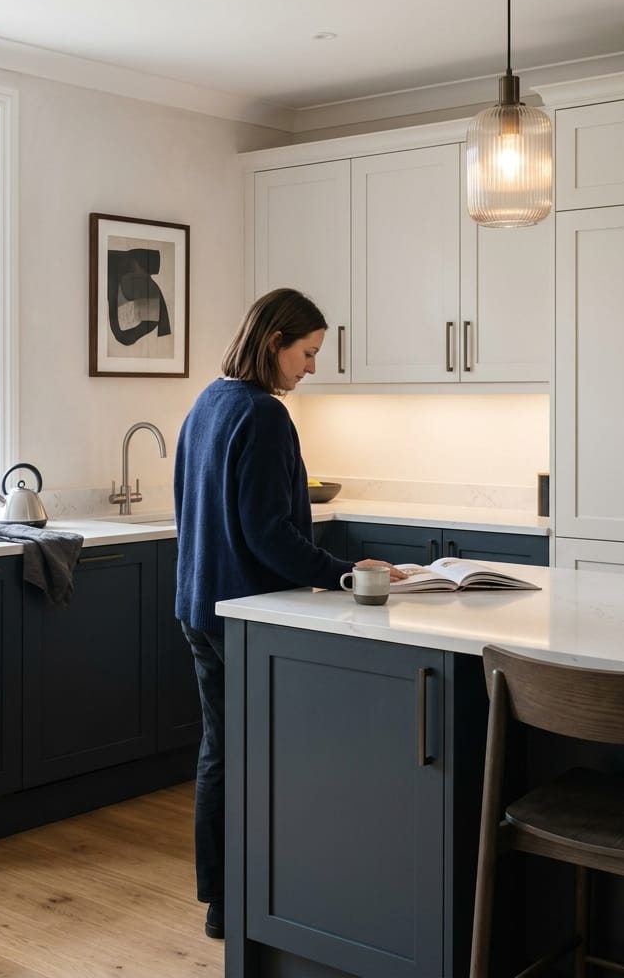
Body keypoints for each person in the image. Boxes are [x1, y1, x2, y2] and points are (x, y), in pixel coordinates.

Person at [173, 287, 403, 939]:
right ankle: (268, 895)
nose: (311, 368)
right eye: (307, 353)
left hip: (200, 604)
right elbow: (269, 535)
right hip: (248, 614)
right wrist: (346, 575)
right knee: (269, 756)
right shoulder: (264, 416)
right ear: (274, 342)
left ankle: (224, 898)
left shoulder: (206, 403)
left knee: (222, 750)